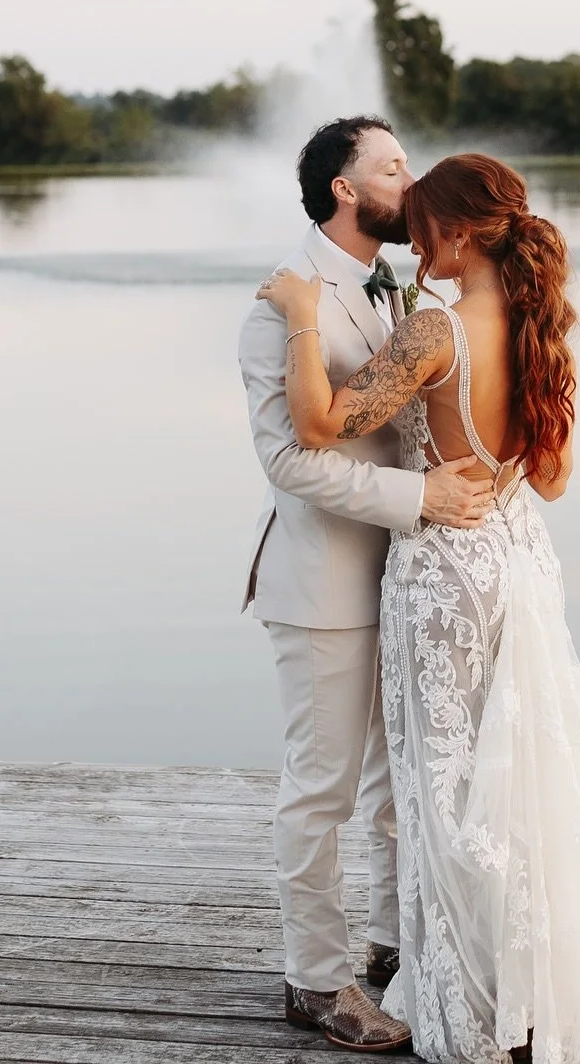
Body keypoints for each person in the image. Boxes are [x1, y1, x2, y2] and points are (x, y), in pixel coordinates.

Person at [257, 153, 580, 1064]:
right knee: (519, 770)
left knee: (443, 785)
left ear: (464, 232)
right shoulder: (539, 326)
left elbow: (321, 425)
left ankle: (475, 991)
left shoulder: (436, 330)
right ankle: (533, 980)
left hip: (443, 572)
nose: (414, 235)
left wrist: (296, 317)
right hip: (519, 558)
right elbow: (552, 482)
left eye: (427, 222)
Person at [239, 117, 497, 1055]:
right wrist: (420, 495)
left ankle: (395, 947)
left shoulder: (398, 287)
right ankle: (316, 980)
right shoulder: (282, 305)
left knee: (404, 790)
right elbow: (289, 462)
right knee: (322, 790)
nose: (410, 178)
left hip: (411, 580)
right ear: (346, 190)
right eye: (392, 167)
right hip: (322, 586)